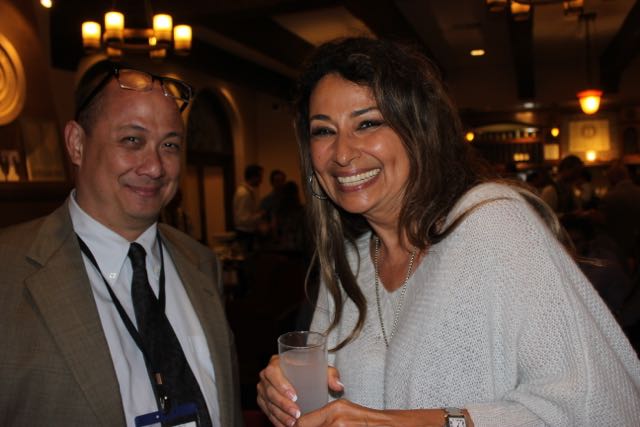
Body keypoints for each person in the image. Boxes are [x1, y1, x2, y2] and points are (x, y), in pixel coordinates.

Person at [256, 37, 640, 426]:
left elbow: (606, 406)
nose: (342, 153)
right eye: (323, 131)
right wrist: (287, 392)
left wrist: (429, 423)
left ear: (417, 129)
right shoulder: (349, 264)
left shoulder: (492, 224)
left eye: (367, 123)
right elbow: (329, 410)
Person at [0, 61, 242, 426]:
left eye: (170, 145)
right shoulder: (8, 271)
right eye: (132, 140)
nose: (155, 167)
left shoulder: (201, 264)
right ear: (77, 144)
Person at [233, 164, 264, 254]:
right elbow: (243, 218)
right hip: (245, 234)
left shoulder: (246, 192)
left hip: (247, 233)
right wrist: (260, 215)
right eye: (260, 177)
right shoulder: (244, 193)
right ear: (253, 177)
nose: (261, 180)